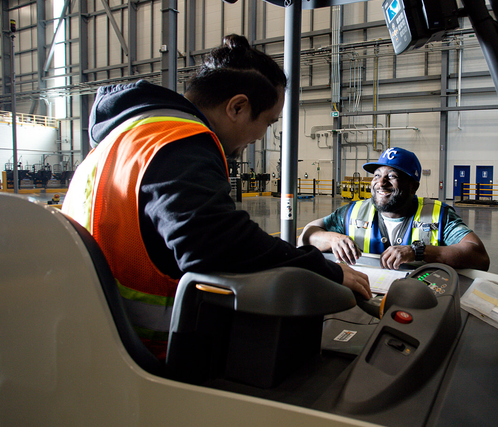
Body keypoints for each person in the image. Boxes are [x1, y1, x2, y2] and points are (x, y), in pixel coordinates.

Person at [62, 34, 370, 360]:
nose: (261, 136)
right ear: (237, 107)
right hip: (145, 360)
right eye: (267, 122)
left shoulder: (124, 137)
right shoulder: (181, 139)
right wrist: (326, 271)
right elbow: (215, 242)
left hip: (95, 341)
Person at [298, 147, 490, 271]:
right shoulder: (352, 212)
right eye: (377, 175)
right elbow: (306, 236)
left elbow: (479, 256)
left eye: (392, 176)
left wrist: (419, 252)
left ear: (413, 186)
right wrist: (333, 238)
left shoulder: (439, 215)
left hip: (418, 301)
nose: (380, 183)